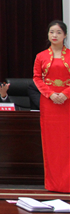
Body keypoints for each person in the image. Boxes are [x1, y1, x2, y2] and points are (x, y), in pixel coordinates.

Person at [32, 20, 70, 192]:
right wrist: (51, 94)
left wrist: (65, 94)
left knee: (67, 142)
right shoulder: (41, 56)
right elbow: (37, 78)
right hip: (49, 103)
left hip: (67, 102)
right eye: (51, 32)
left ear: (65, 35)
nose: (54, 35)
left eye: (58, 32)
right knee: (51, 143)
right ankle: (53, 184)